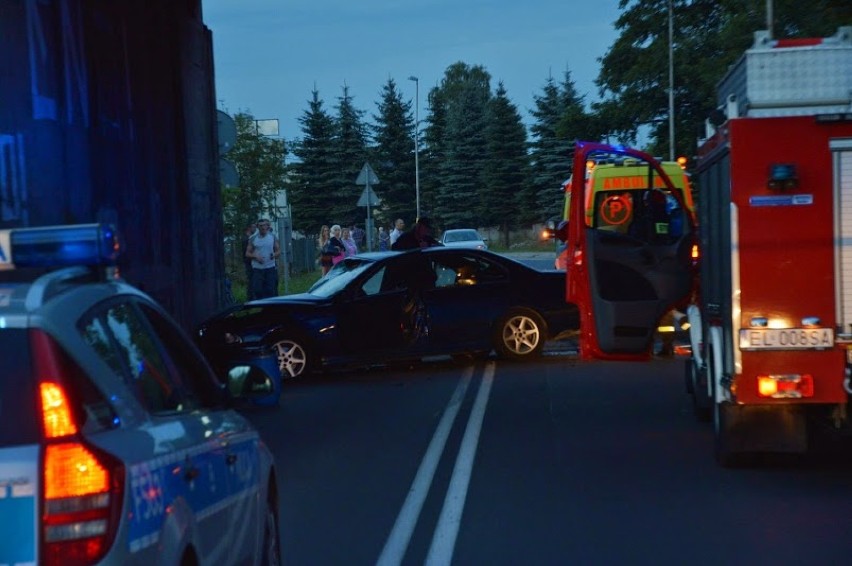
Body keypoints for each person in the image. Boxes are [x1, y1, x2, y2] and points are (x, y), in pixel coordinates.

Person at [246, 218, 280, 299]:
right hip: (258, 269)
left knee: (270, 289)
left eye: (265, 225)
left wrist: (274, 255)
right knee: (257, 290)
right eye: (261, 226)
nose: (263, 227)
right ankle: (261, 304)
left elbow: (278, 251)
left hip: (270, 267)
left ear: (267, 226)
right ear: (258, 227)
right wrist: (255, 256)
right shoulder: (253, 238)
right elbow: (247, 253)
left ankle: (270, 307)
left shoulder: (272, 236)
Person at [242, 222, 257, 299]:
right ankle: (251, 297)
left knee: (252, 280)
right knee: (251, 280)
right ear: (249, 228)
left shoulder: (249, 238)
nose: (255, 229)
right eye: (254, 227)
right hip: (249, 263)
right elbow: (247, 252)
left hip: (250, 262)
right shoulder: (246, 239)